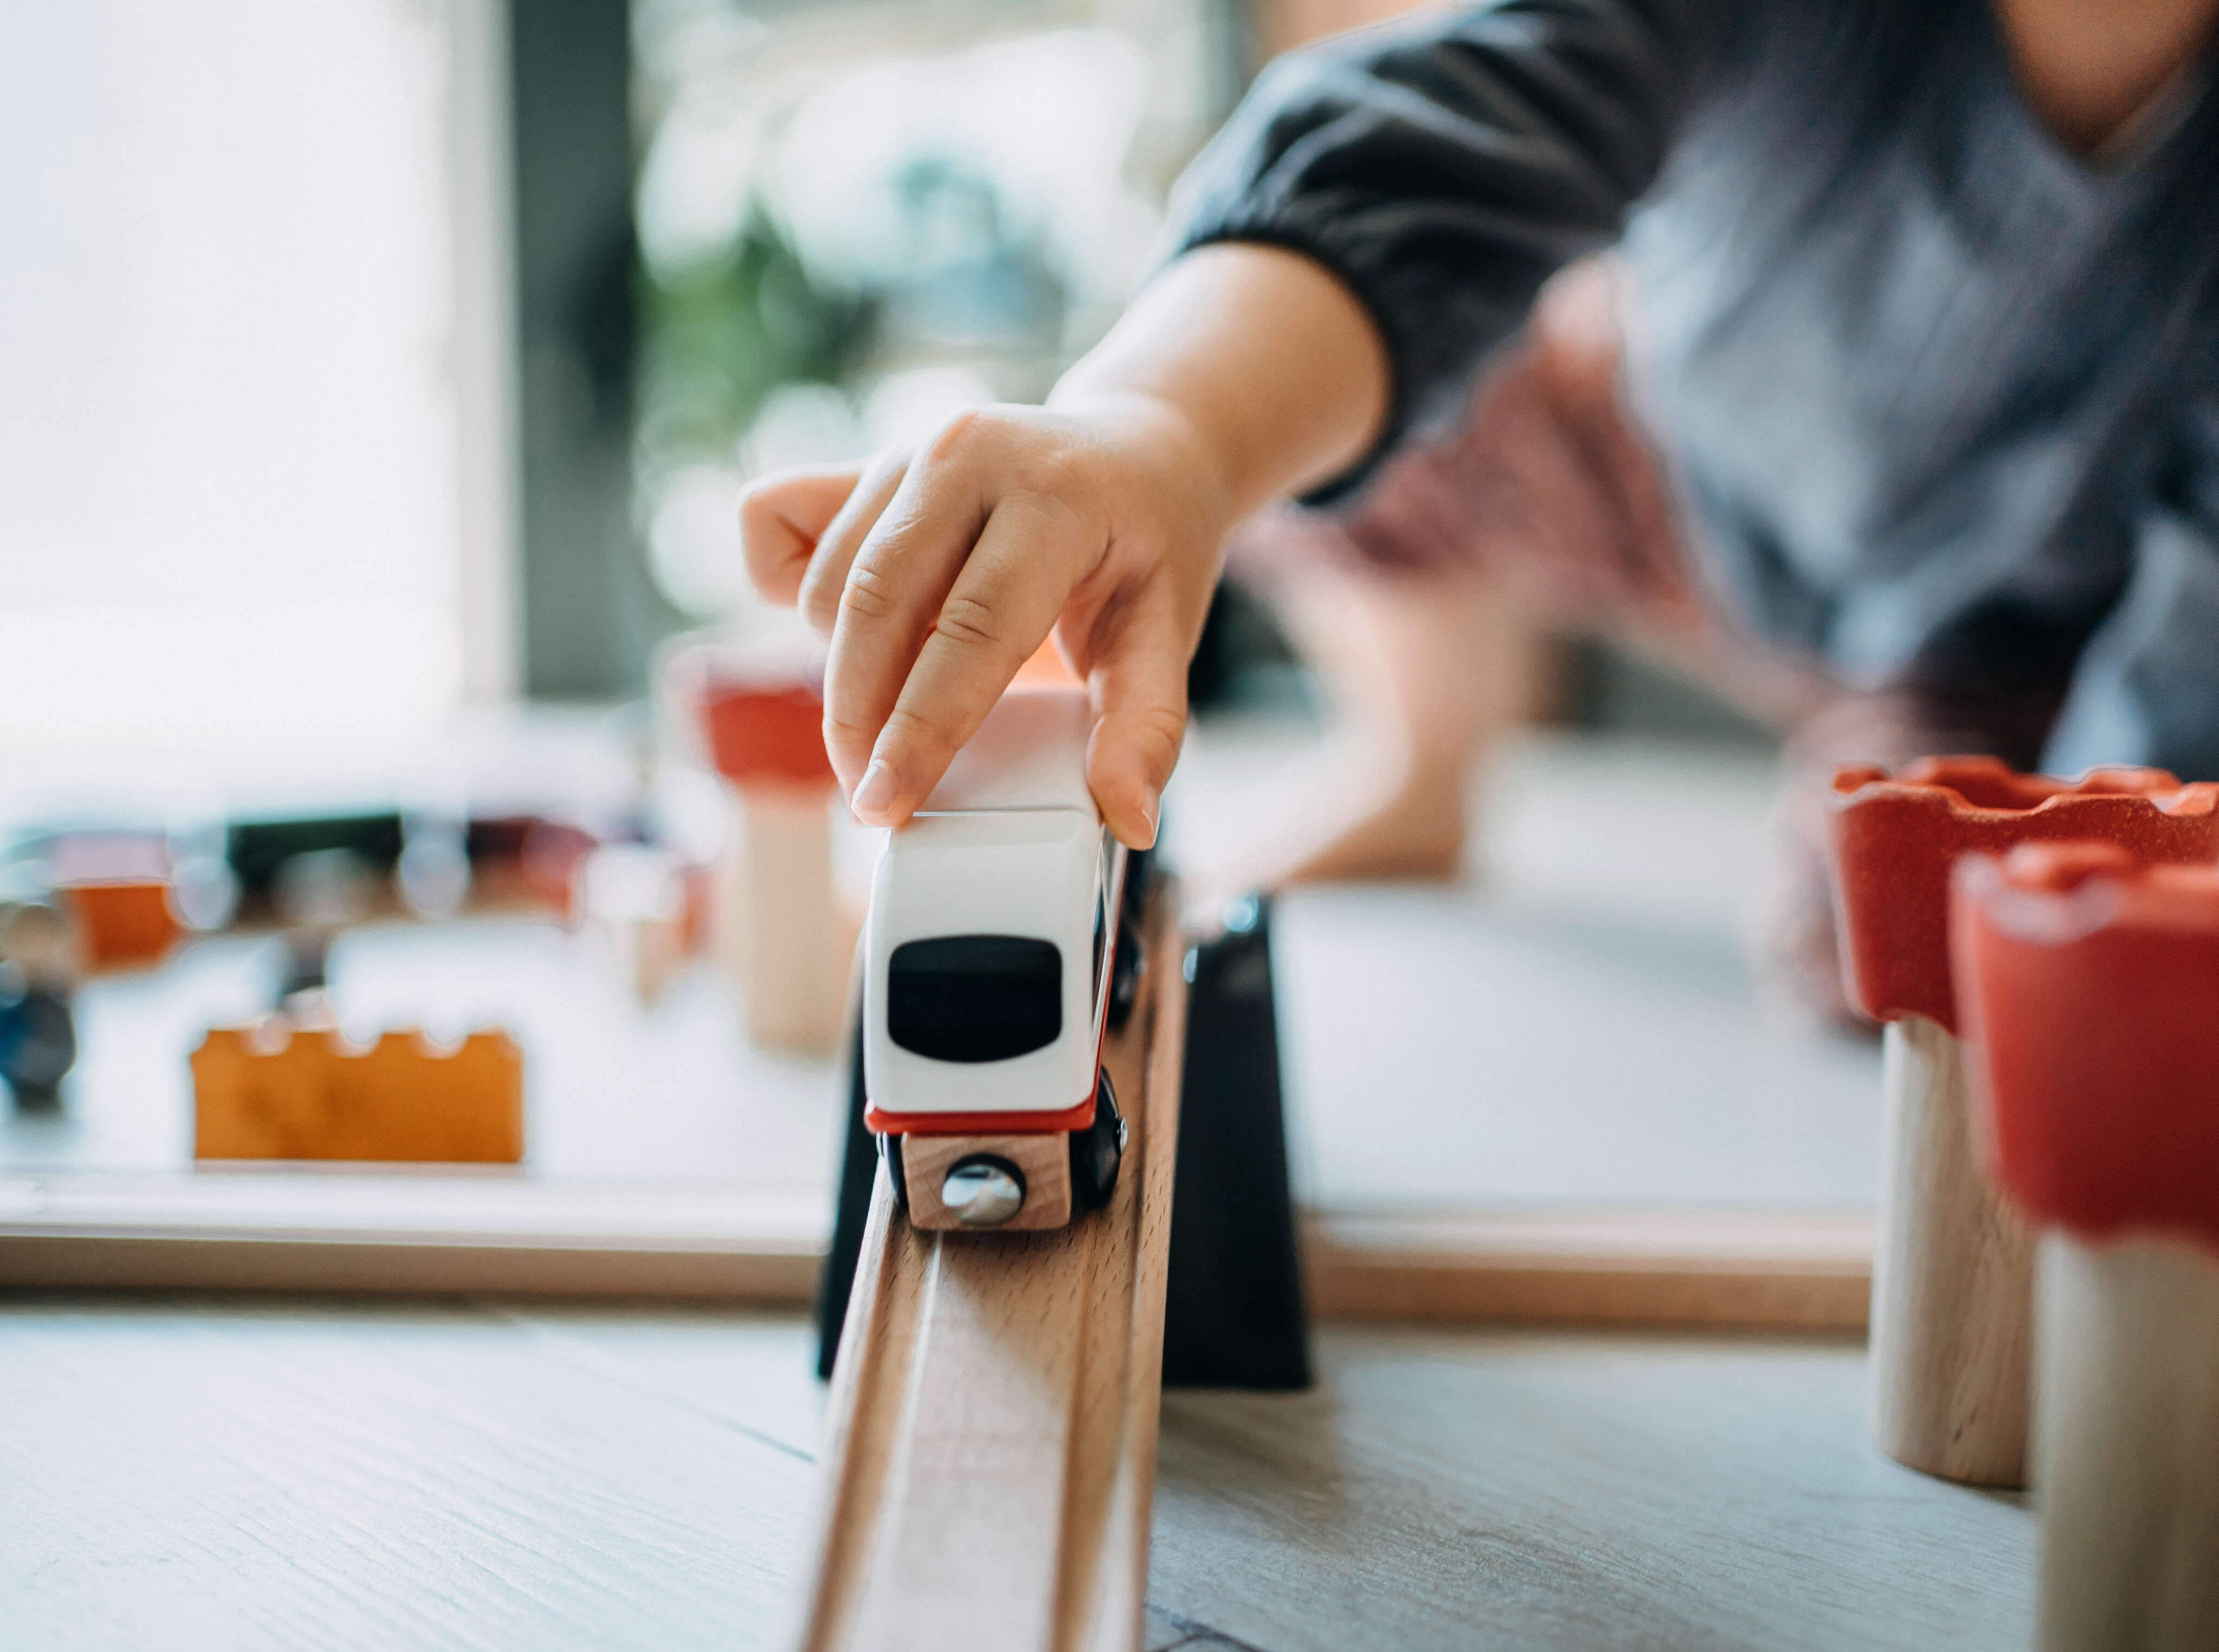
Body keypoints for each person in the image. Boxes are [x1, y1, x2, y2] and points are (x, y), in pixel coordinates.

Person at [739, 0, 2219, 1018]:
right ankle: (1418, 762)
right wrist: (1158, 429)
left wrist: (2102, 892)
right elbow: (1441, 133)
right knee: (1309, 388)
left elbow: (2187, 677)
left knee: (1895, 962)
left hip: (2023, 659)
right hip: (1675, 475)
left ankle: (1911, 812)